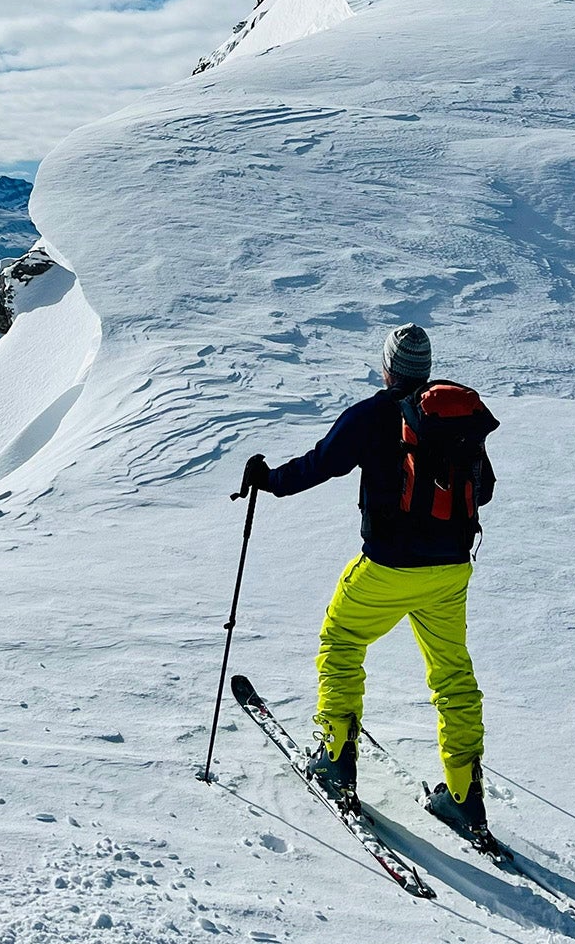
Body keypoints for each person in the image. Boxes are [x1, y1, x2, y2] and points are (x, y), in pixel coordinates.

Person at [237, 323, 499, 838]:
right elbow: (483, 490)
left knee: (341, 639)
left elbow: (320, 464)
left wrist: (268, 479)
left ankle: (336, 757)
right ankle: (465, 797)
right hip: (450, 571)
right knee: (453, 676)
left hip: (387, 567)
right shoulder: (455, 418)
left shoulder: (374, 414)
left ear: (388, 368)